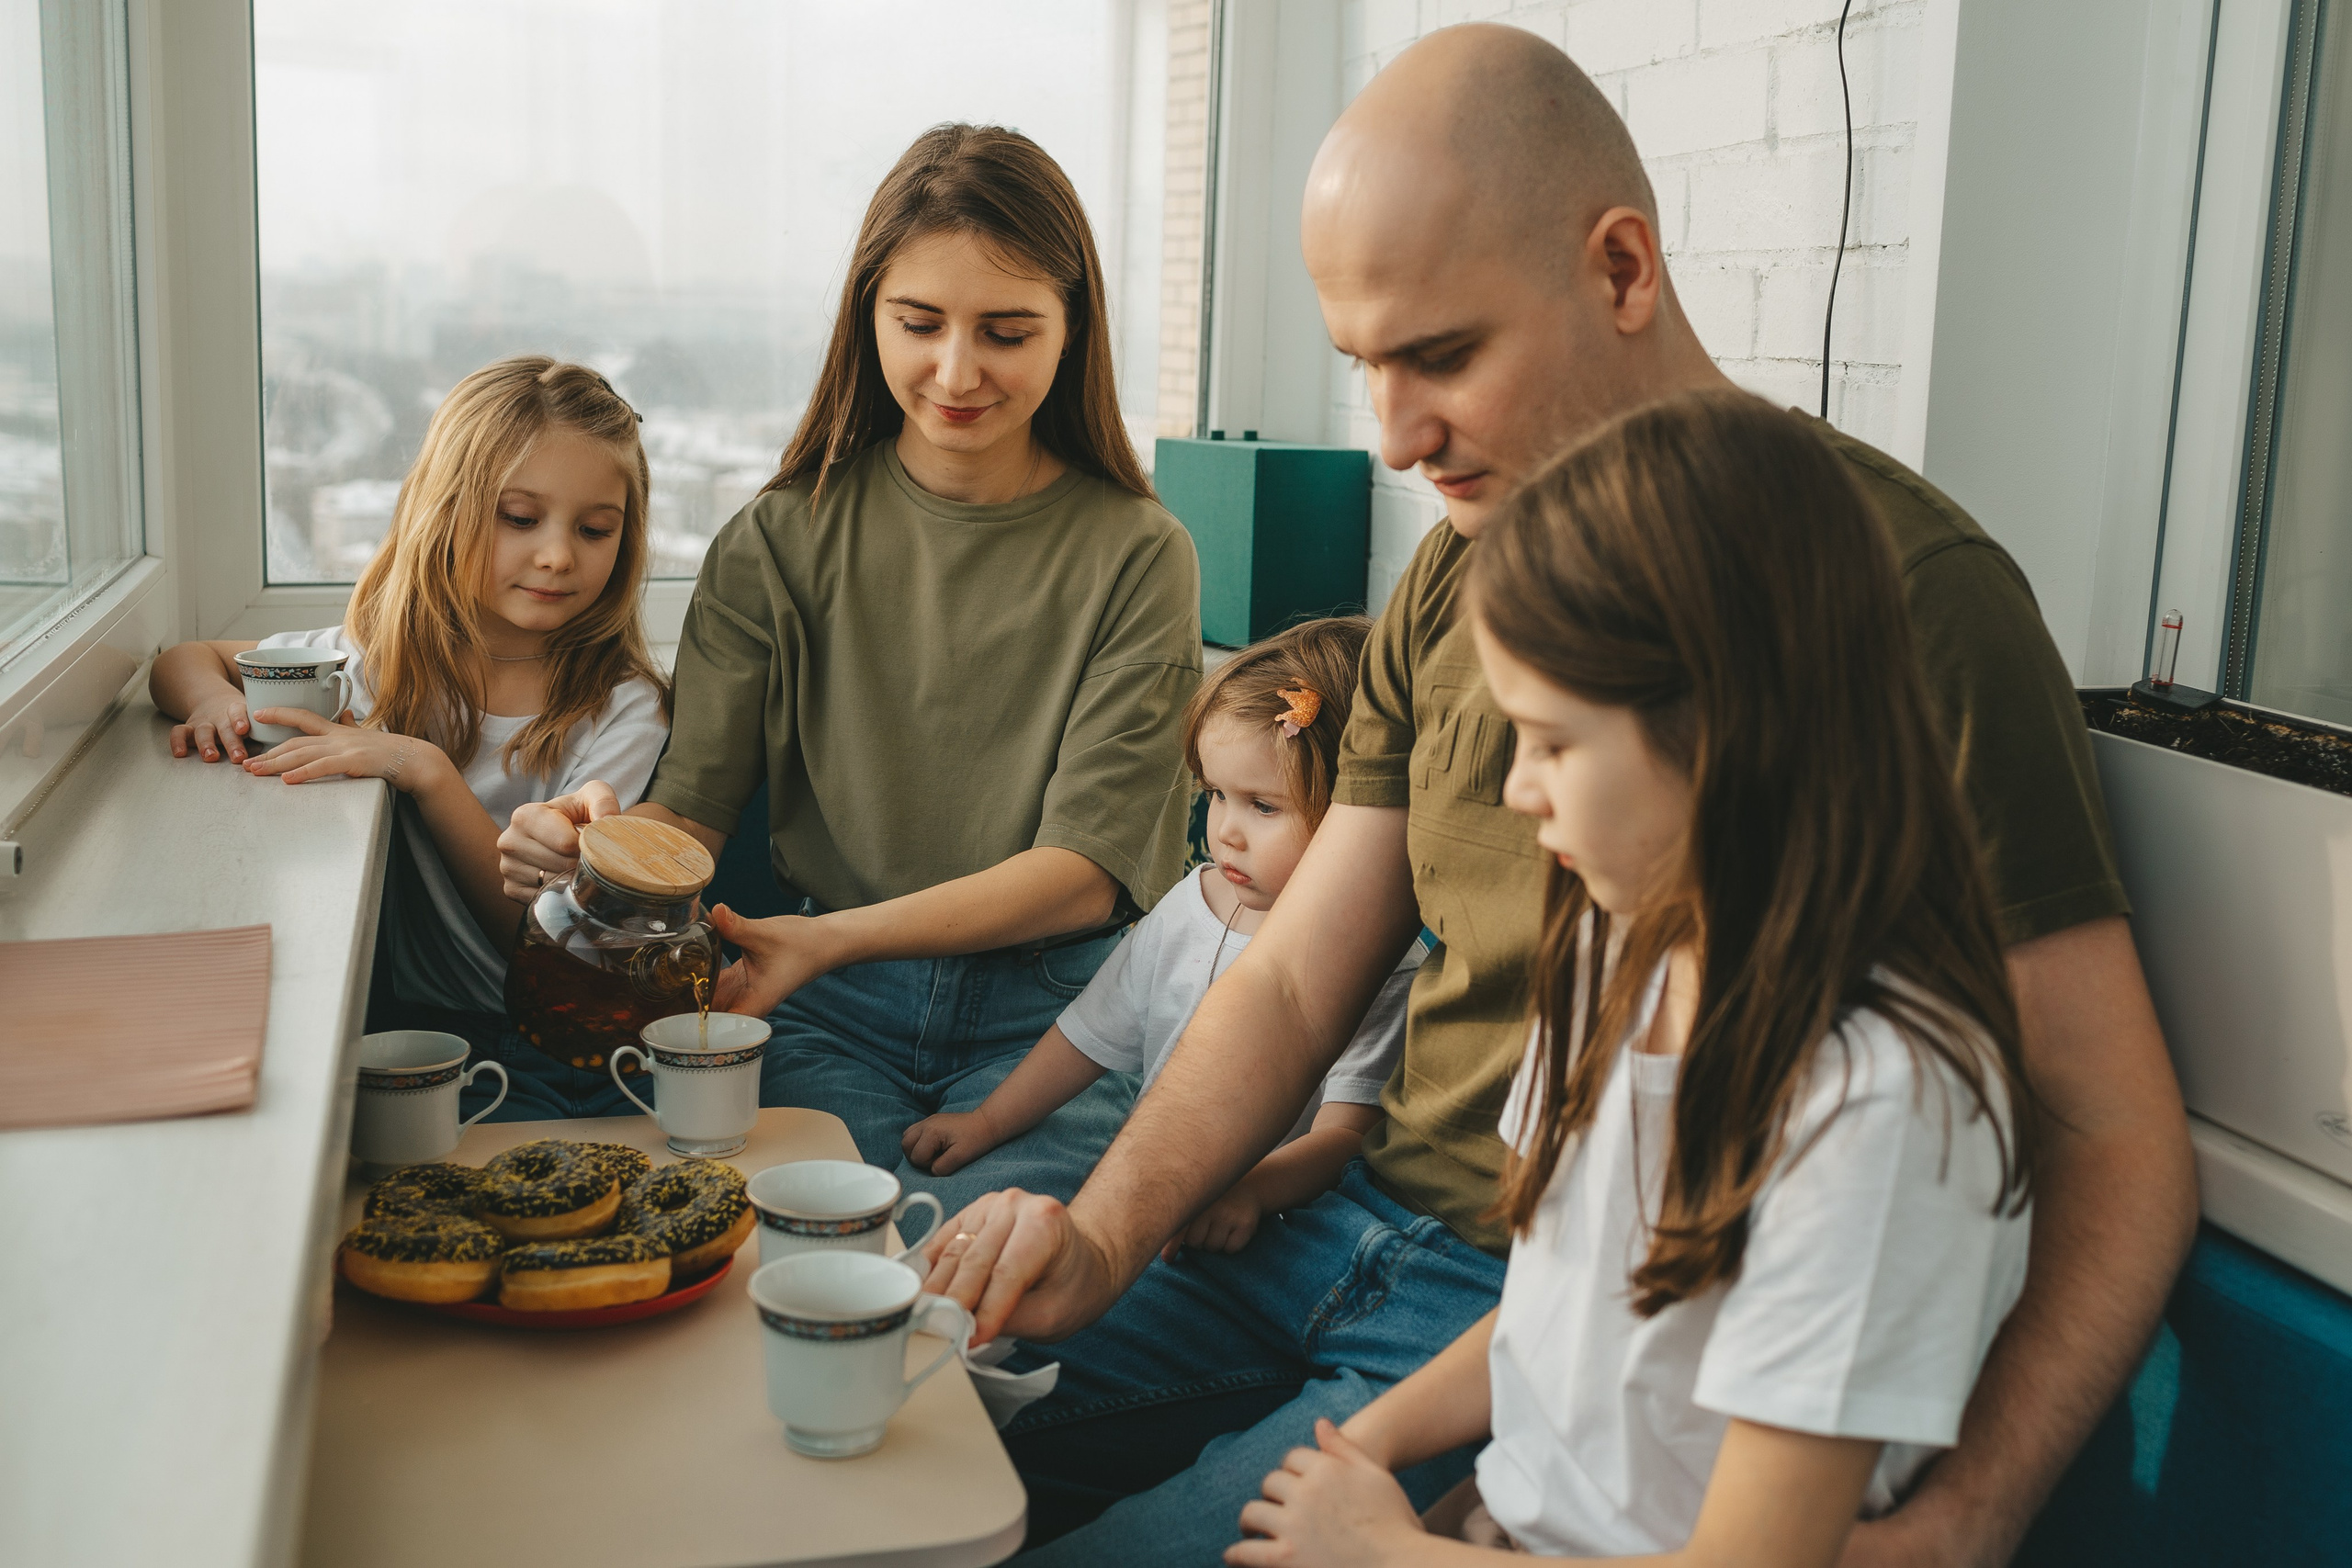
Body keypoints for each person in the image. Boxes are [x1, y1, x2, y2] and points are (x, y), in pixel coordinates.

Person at [920, 27, 2195, 1567]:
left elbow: (2113, 1131)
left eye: (1442, 357)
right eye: (1362, 369)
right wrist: (1105, 1232)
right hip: (1349, 1225)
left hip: (1539, 1308)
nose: (1394, 435)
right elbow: (1300, 971)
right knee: (883, 1427)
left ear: (1622, 268)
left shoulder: (1898, 601)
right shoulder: (1462, 558)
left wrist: (1962, 1521)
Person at [1233, 391, 2035, 1567]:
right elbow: (1561, 1317)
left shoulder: (1878, 1110)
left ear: (1724, 731)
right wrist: (1364, 1456)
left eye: (1552, 744)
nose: (1518, 789)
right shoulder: (1615, 945)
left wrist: (1386, 1553)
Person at [496, 125, 1201, 1206]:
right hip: (825, 1011)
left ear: (1072, 330)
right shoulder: (777, 539)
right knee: (820, 1256)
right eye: (918, 324)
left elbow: (1084, 873)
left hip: (1059, 1020)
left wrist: (827, 941)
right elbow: (693, 813)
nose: (956, 372)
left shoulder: (1140, 556)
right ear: (868, 316)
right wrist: (602, 841)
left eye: (1006, 331)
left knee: (1004, 1298)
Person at [153, 356, 671, 1106]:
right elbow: (184, 659)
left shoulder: (623, 709)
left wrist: (423, 768)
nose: (559, 555)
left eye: (595, 529)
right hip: (423, 1036)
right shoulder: (376, 664)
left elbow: (542, 944)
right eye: (519, 518)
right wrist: (213, 702)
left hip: (567, 1051)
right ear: (445, 509)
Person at [902, 617, 1429, 1258]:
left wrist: (1254, 1191)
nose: (1226, 831)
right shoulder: (1193, 904)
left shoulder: (1388, 965)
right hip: (1159, 1195)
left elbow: (1347, 1134)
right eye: (1216, 796)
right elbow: (1088, 1033)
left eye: (1264, 806)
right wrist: (987, 1120)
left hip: (1288, 1229)